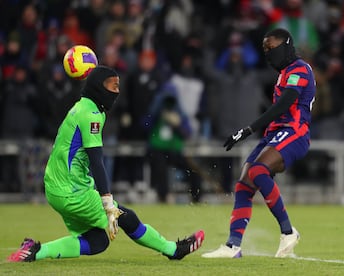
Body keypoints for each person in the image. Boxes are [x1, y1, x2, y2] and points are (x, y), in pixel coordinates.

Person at [7, 66, 204, 262]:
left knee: (97, 241)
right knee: (127, 217)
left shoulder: (83, 107)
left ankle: (34, 251)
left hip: (56, 188)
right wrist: (108, 202)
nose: (116, 91)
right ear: (97, 87)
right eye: (111, 86)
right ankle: (173, 250)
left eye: (118, 86)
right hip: (71, 191)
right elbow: (96, 160)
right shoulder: (91, 114)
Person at [202, 28, 316, 258]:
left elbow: (286, 103)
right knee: (244, 183)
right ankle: (233, 246)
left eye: (272, 48)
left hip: (294, 132)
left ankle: (288, 231)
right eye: (265, 49)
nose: (268, 53)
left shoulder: (300, 70)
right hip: (275, 134)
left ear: (287, 45)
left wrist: (248, 129)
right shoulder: (284, 73)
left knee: (258, 170)